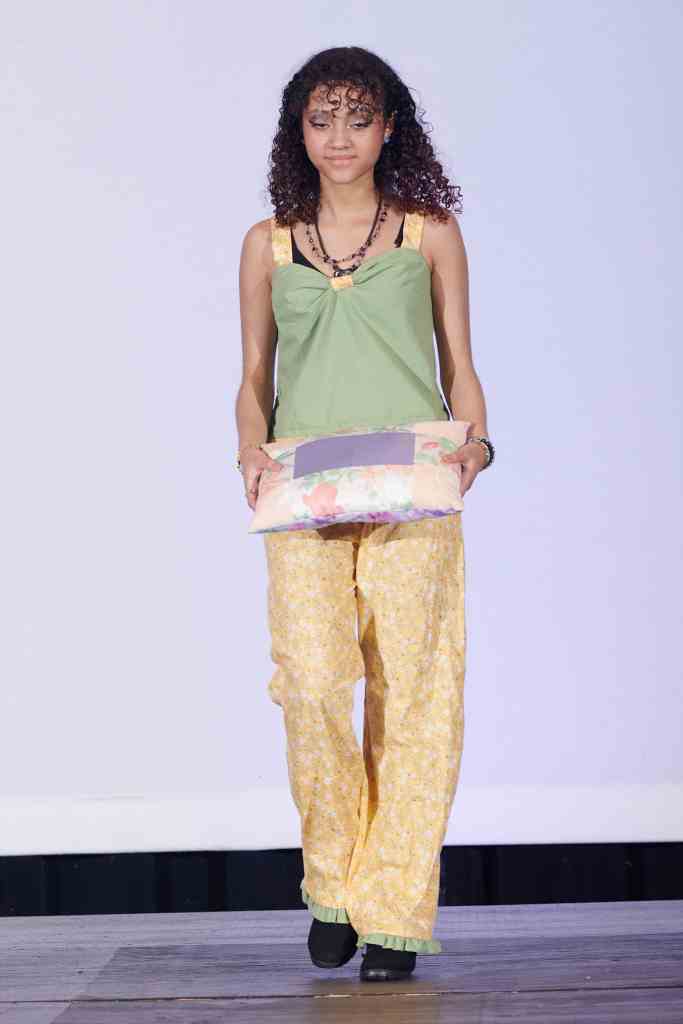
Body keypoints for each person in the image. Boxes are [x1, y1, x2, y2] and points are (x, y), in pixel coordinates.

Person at [235, 46, 494, 982]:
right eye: (320, 119)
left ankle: (391, 914)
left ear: (389, 128)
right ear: (296, 132)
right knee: (310, 683)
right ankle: (334, 885)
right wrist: (249, 450)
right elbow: (254, 375)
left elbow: (459, 360)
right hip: (303, 488)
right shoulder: (268, 242)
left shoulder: (429, 232)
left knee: (413, 694)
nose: (338, 137)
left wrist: (475, 445)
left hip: (412, 483)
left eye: (357, 118)